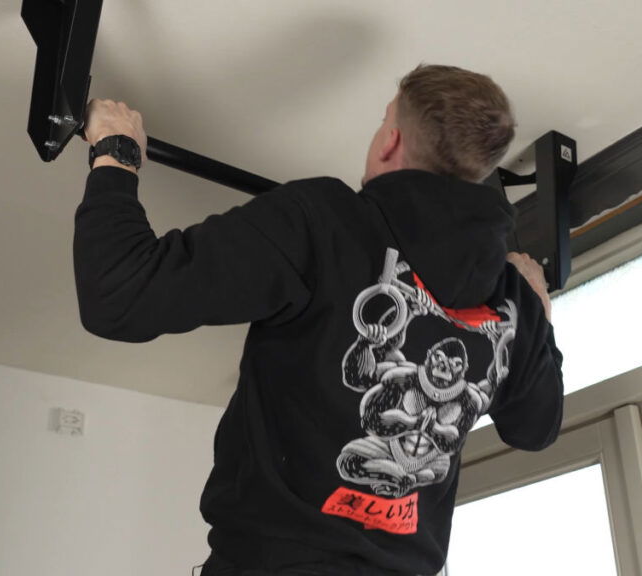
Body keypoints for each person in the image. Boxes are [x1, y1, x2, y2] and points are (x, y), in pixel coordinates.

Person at [74, 64, 564, 576]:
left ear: (390, 142)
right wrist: (537, 313)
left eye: (382, 121)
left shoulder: (323, 221)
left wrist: (116, 151)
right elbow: (537, 427)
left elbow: (120, 295)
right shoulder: (513, 303)